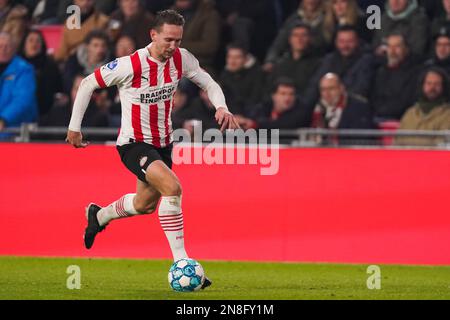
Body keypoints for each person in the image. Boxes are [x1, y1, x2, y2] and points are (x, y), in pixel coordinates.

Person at [65, 10, 240, 289]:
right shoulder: (130, 64)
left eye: (178, 40)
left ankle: (99, 215)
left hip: (163, 144)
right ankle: (182, 262)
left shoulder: (181, 59)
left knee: (144, 205)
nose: (173, 46)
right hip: (133, 144)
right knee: (173, 188)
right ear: (153, 35)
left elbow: (208, 82)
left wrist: (222, 107)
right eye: (168, 40)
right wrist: (75, 127)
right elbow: (88, 84)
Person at [371, 33, 422, 121]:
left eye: (397, 46)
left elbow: (408, 101)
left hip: (402, 119)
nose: (392, 51)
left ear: (406, 49)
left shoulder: (416, 72)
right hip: (378, 117)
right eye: (389, 46)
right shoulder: (379, 70)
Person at [396, 68, 450, 146]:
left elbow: (442, 144)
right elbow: (397, 142)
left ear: (443, 87)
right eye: (429, 83)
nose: (432, 87)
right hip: (404, 156)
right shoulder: (410, 113)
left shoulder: (447, 115)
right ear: (422, 85)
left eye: (437, 84)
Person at [267, 23, 321, 97]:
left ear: (309, 39)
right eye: (295, 35)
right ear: (290, 39)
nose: (299, 39)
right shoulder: (280, 65)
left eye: (303, 35)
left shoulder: (318, 64)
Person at [18, 29, 63, 117]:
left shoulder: (50, 66)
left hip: (46, 113)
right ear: (24, 44)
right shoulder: (16, 65)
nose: (34, 44)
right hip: (20, 112)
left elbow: (58, 88)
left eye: (38, 41)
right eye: (31, 40)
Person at [237, 77, 310, 130]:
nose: (287, 98)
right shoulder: (265, 106)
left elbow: (283, 124)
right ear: (274, 96)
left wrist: (256, 124)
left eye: (291, 94)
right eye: (283, 94)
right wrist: (242, 120)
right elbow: (252, 117)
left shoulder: (301, 110)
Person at [0, 32, 37, 131]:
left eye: (7, 46)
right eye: (0, 46)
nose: (3, 49)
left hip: (15, 130)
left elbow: (23, 99)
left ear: (13, 49)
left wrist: (3, 118)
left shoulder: (24, 69)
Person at [219, 43, 265, 116]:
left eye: (237, 57)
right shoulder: (225, 74)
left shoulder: (257, 74)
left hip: (250, 116)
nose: (232, 61)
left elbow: (255, 100)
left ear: (245, 59)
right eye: (229, 57)